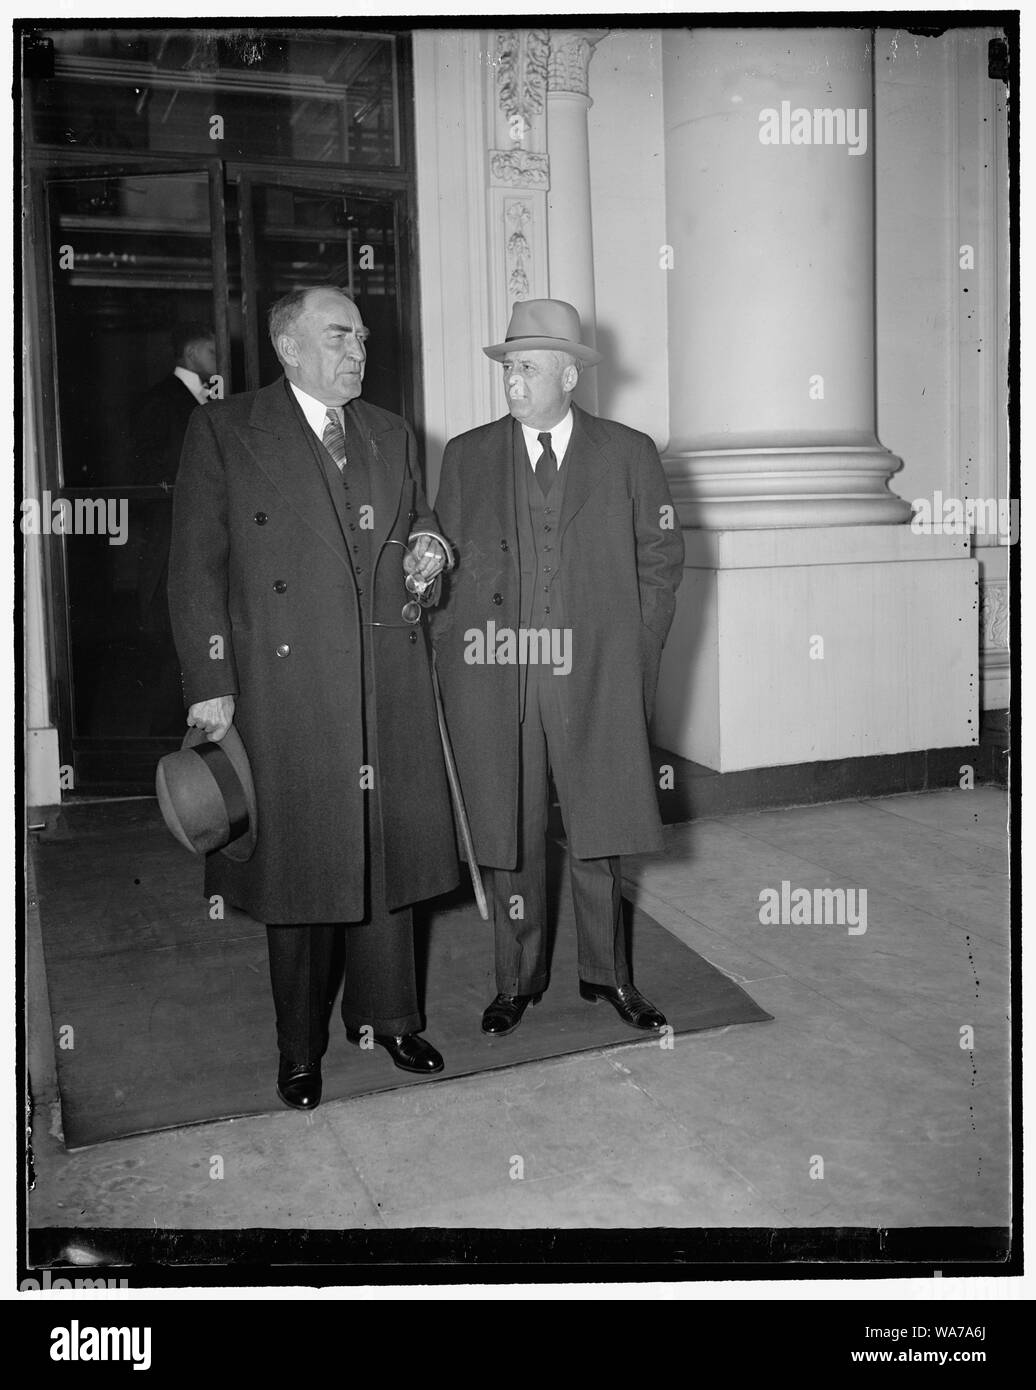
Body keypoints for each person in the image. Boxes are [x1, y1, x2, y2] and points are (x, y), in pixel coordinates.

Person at [167, 287, 458, 1111]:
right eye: (339, 336)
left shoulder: (390, 432)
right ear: (288, 345)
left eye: (362, 336)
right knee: (302, 876)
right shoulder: (227, 430)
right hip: (285, 690)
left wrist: (430, 555)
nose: (358, 350)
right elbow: (195, 571)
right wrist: (211, 685)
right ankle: (300, 1050)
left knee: (385, 862)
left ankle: (391, 1017)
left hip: (384, 685)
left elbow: (422, 529)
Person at [432, 299, 684, 1037]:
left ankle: (608, 975)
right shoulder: (469, 455)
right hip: (503, 673)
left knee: (599, 831)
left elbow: (661, 559)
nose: (513, 382)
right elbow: (444, 550)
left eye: (528, 368)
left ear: (569, 375)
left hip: (597, 671)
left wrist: (635, 651)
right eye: (509, 368)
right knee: (510, 835)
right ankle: (517, 979)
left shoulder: (629, 453)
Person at [130, 323, 218, 734]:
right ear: (191, 352)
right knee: (167, 628)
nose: (216, 358)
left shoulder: (203, 398)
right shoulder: (163, 399)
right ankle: (165, 729)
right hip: (170, 525)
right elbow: (147, 464)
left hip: (195, 523)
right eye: (211, 350)